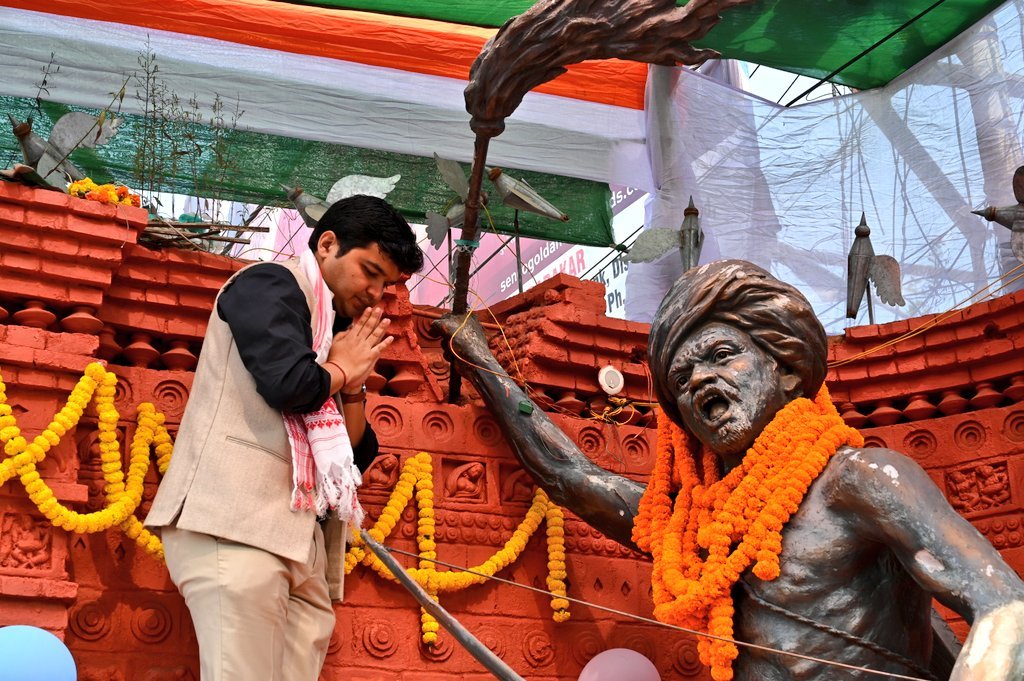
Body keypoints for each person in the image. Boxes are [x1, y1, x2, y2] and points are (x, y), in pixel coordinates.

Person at [436, 260, 1024, 681]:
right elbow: (572, 478)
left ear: (787, 368)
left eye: (722, 355)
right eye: (681, 378)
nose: (700, 380)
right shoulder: (692, 528)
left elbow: (1004, 607)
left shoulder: (863, 478)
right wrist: (479, 357)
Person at [146, 195, 424, 681]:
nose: (376, 293)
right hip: (234, 530)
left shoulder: (330, 332)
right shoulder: (268, 284)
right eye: (370, 272)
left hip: (301, 546)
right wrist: (340, 369)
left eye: (387, 284)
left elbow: (353, 457)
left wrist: (352, 385)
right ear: (327, 244)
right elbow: (289, 385)